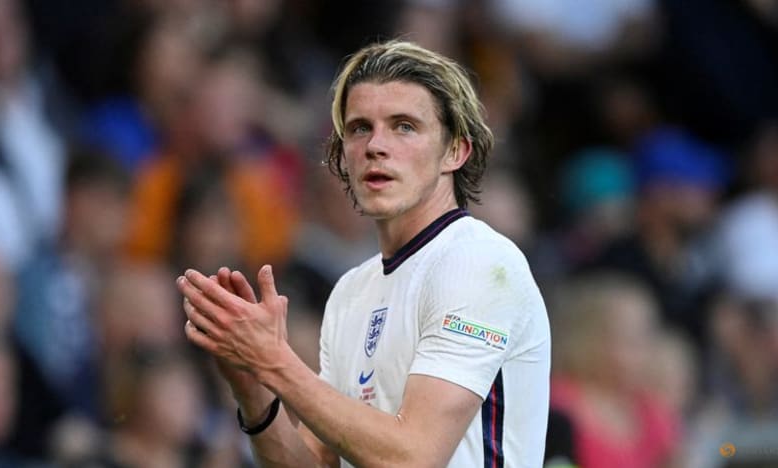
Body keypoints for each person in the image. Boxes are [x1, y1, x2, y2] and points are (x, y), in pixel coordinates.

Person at [176, 40, 551, 467]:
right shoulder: (351, 290)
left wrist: (276, 362)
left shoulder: (482, 263)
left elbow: (412, 458)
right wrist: (253, 388)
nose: (376, 145)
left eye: (404, 126)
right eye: (359, 128)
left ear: (455, 151)